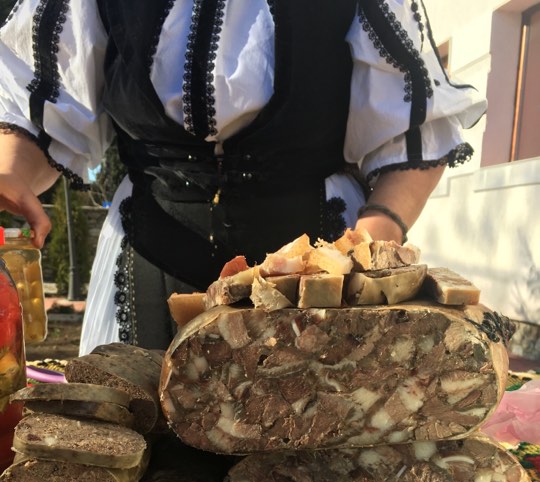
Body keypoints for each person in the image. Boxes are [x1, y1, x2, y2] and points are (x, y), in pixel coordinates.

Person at [0, 0, 486, 354]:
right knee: (140, 434)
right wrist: (11, 172)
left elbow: (412, 134)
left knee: (304, 441)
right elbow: (42, 104)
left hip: (319, 260)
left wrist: (371, 243)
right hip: (146, 250)